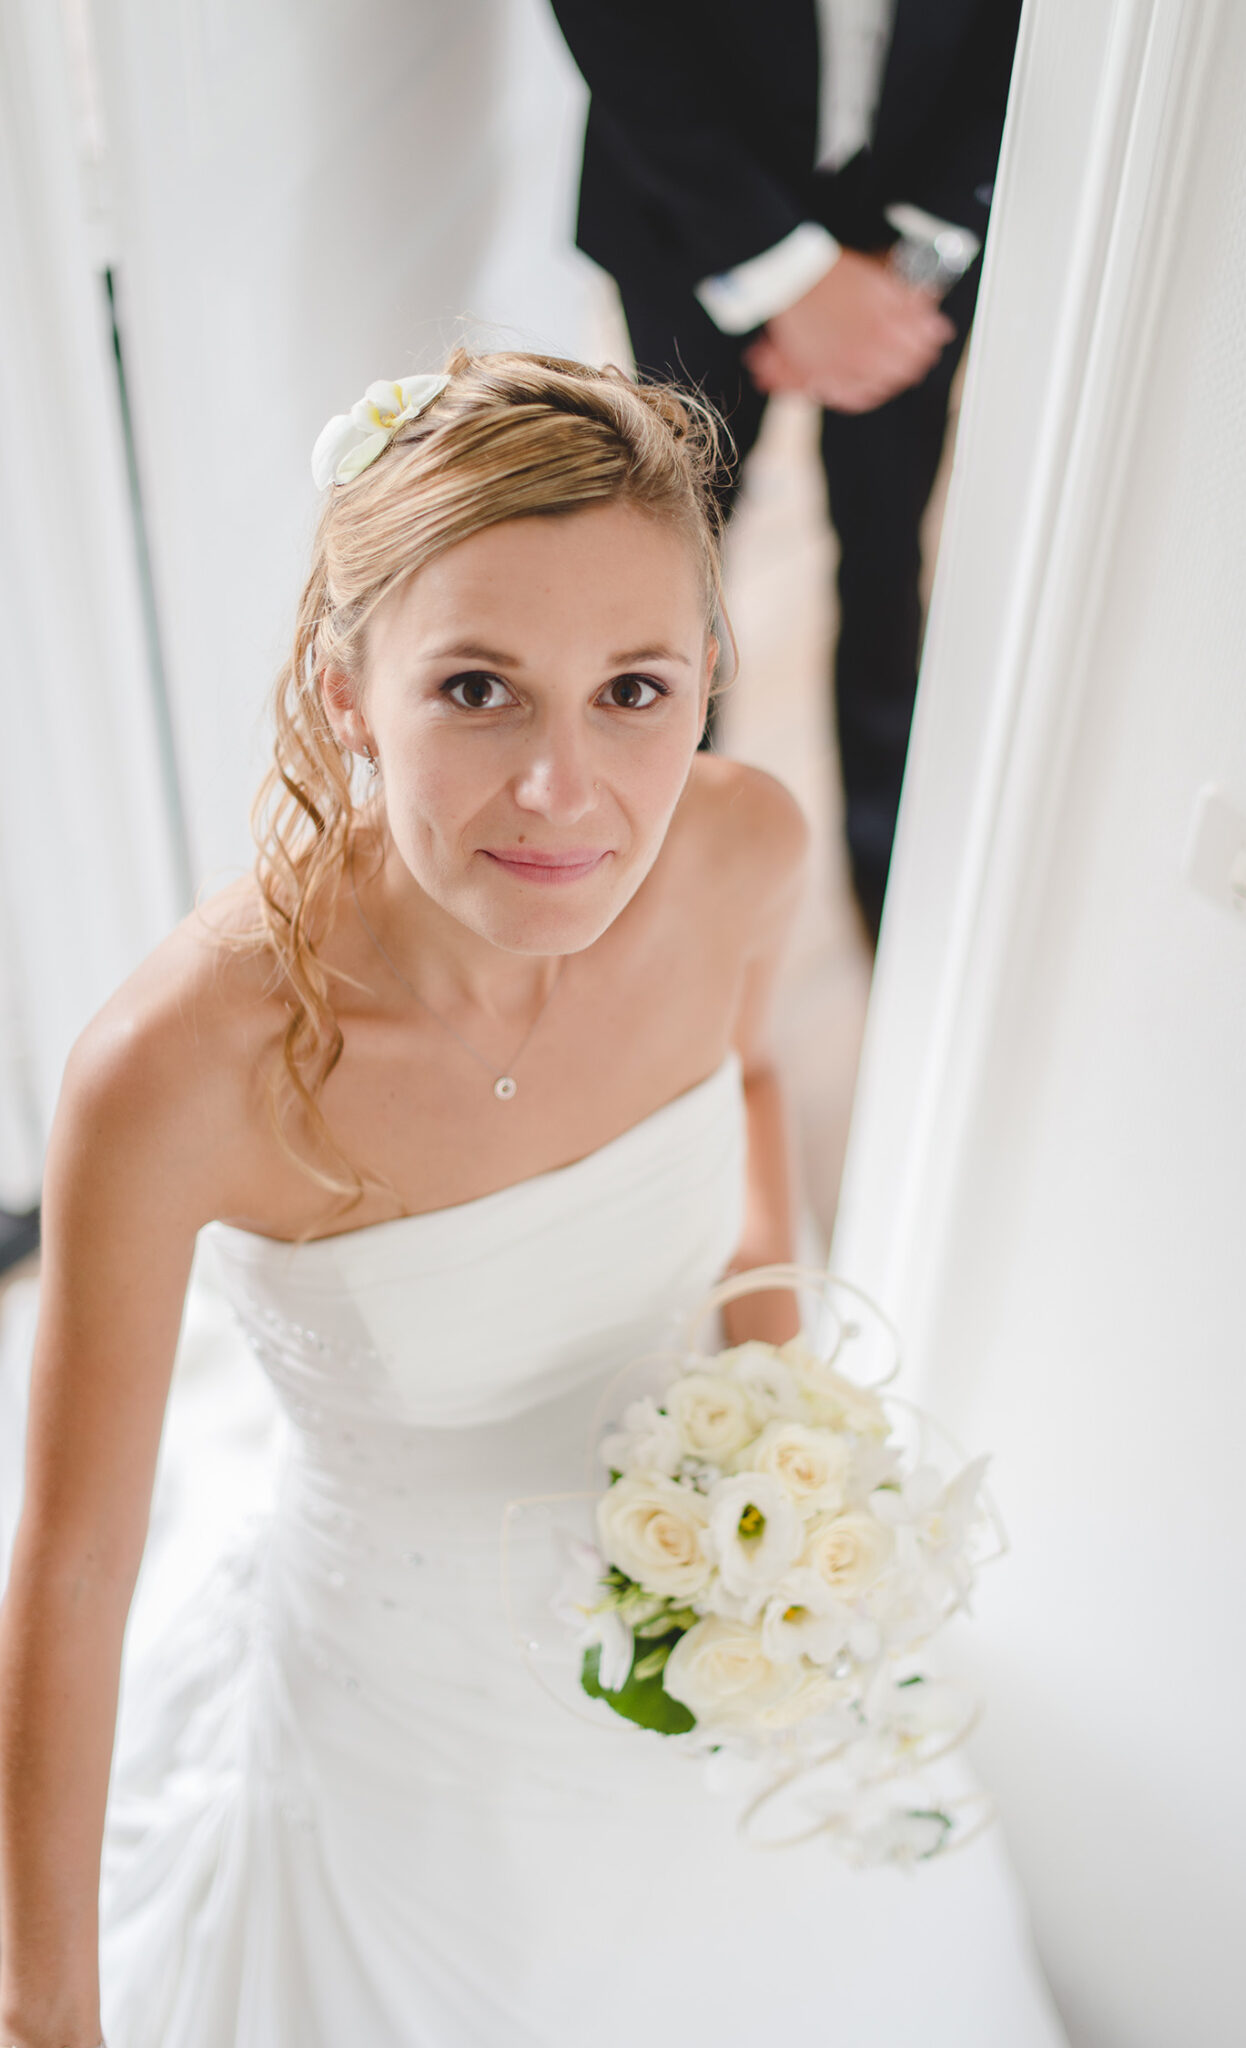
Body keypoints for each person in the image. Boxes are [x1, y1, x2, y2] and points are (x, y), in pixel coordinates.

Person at [0, 349, 1064, 2047]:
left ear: (711, 674)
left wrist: (771, 1409)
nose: (567, 794)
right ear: (351, 689)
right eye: (480, 689)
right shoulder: (170, 1070)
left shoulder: (741, 847)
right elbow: (71, 1559)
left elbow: (757, 1081)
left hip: (710, 1648)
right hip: (409, 1734)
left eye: (633, 690)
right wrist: (48, 2019)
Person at [549, 0, 1022, 940]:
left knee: (887, 553)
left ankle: (887, 864)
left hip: (915, 233)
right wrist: (788, 280)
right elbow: (620, 29)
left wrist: (903, 275)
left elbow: (1018, 44)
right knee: (671, 559)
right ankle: (656, 851)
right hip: (689, 215)